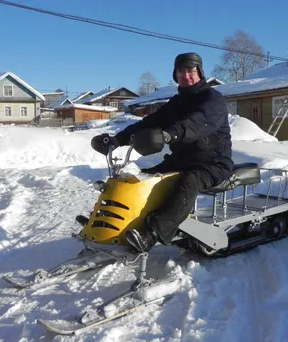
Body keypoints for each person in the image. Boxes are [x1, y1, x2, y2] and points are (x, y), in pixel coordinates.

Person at [91, 52, 234, 253]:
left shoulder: (213, 99)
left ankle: (151, 235)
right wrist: (116, 140)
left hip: (212, 163)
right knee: (143, 179)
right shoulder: (176, 103)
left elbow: (198, 123)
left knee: (189, 182)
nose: (186, 75)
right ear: (175, 75)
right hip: (181, 160)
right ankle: (112, 222)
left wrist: (168, 134)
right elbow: (148, 123)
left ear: (200, 72)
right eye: (181, 71)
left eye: (191, 70)